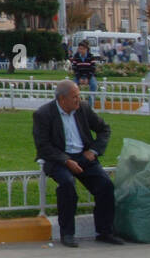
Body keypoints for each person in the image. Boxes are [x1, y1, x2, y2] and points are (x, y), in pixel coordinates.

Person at [33, 80, 121, 248]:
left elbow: (104, 129)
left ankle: (105, 231)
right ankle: (67, 234)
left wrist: (93, 151)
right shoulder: (43, 114)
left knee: (105, 185)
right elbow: (43, 146)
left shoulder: (83, 109)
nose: (78, 100)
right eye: (75, 97)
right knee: (67, 184)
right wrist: (66, 160)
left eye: (79, 96)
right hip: (59, 159)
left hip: (84, 157)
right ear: (62, 99)